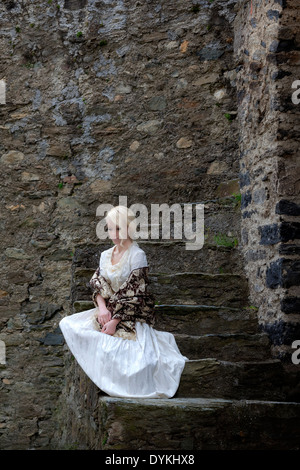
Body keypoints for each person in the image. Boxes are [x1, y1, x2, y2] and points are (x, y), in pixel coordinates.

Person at [59, 205, 188, 398]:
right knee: (67, 323)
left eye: (119, 228)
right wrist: (102, 310)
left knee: (121, 351)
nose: (114, 233)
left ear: (129, 228)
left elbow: (136, 295)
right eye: (111, 229)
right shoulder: (105, 256)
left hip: (129, 315)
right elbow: (98, 285)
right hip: (106, 311)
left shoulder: (137, 256)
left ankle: (116, 384)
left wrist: (114, 321)